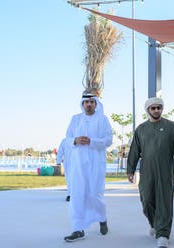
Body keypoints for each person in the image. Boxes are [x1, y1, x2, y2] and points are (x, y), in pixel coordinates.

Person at [127, 97, 174, 248]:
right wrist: (130, 170)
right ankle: (155, 224)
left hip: (165, 170)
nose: (156, 110)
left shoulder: (171, 127)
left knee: (165, 202)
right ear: (148, 110)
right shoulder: (141, 129)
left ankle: (163, 234)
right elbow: (134, 151)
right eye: (153, 108)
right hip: (147, 171)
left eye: (159, 107)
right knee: (147, 200)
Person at [63, 92, 113, 242]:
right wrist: (75, 140)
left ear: (96, 104)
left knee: (95, 194)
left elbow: (108, 140)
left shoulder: (103, 120)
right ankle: (78, 229)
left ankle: (102, 218)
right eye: (86, 102)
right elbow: (67, 139)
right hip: (78, 165)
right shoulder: (75, 119)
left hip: (96, 164)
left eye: (92, 102)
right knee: (77, 195)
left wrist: (92, 141)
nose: (89, 104)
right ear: (82, 104)